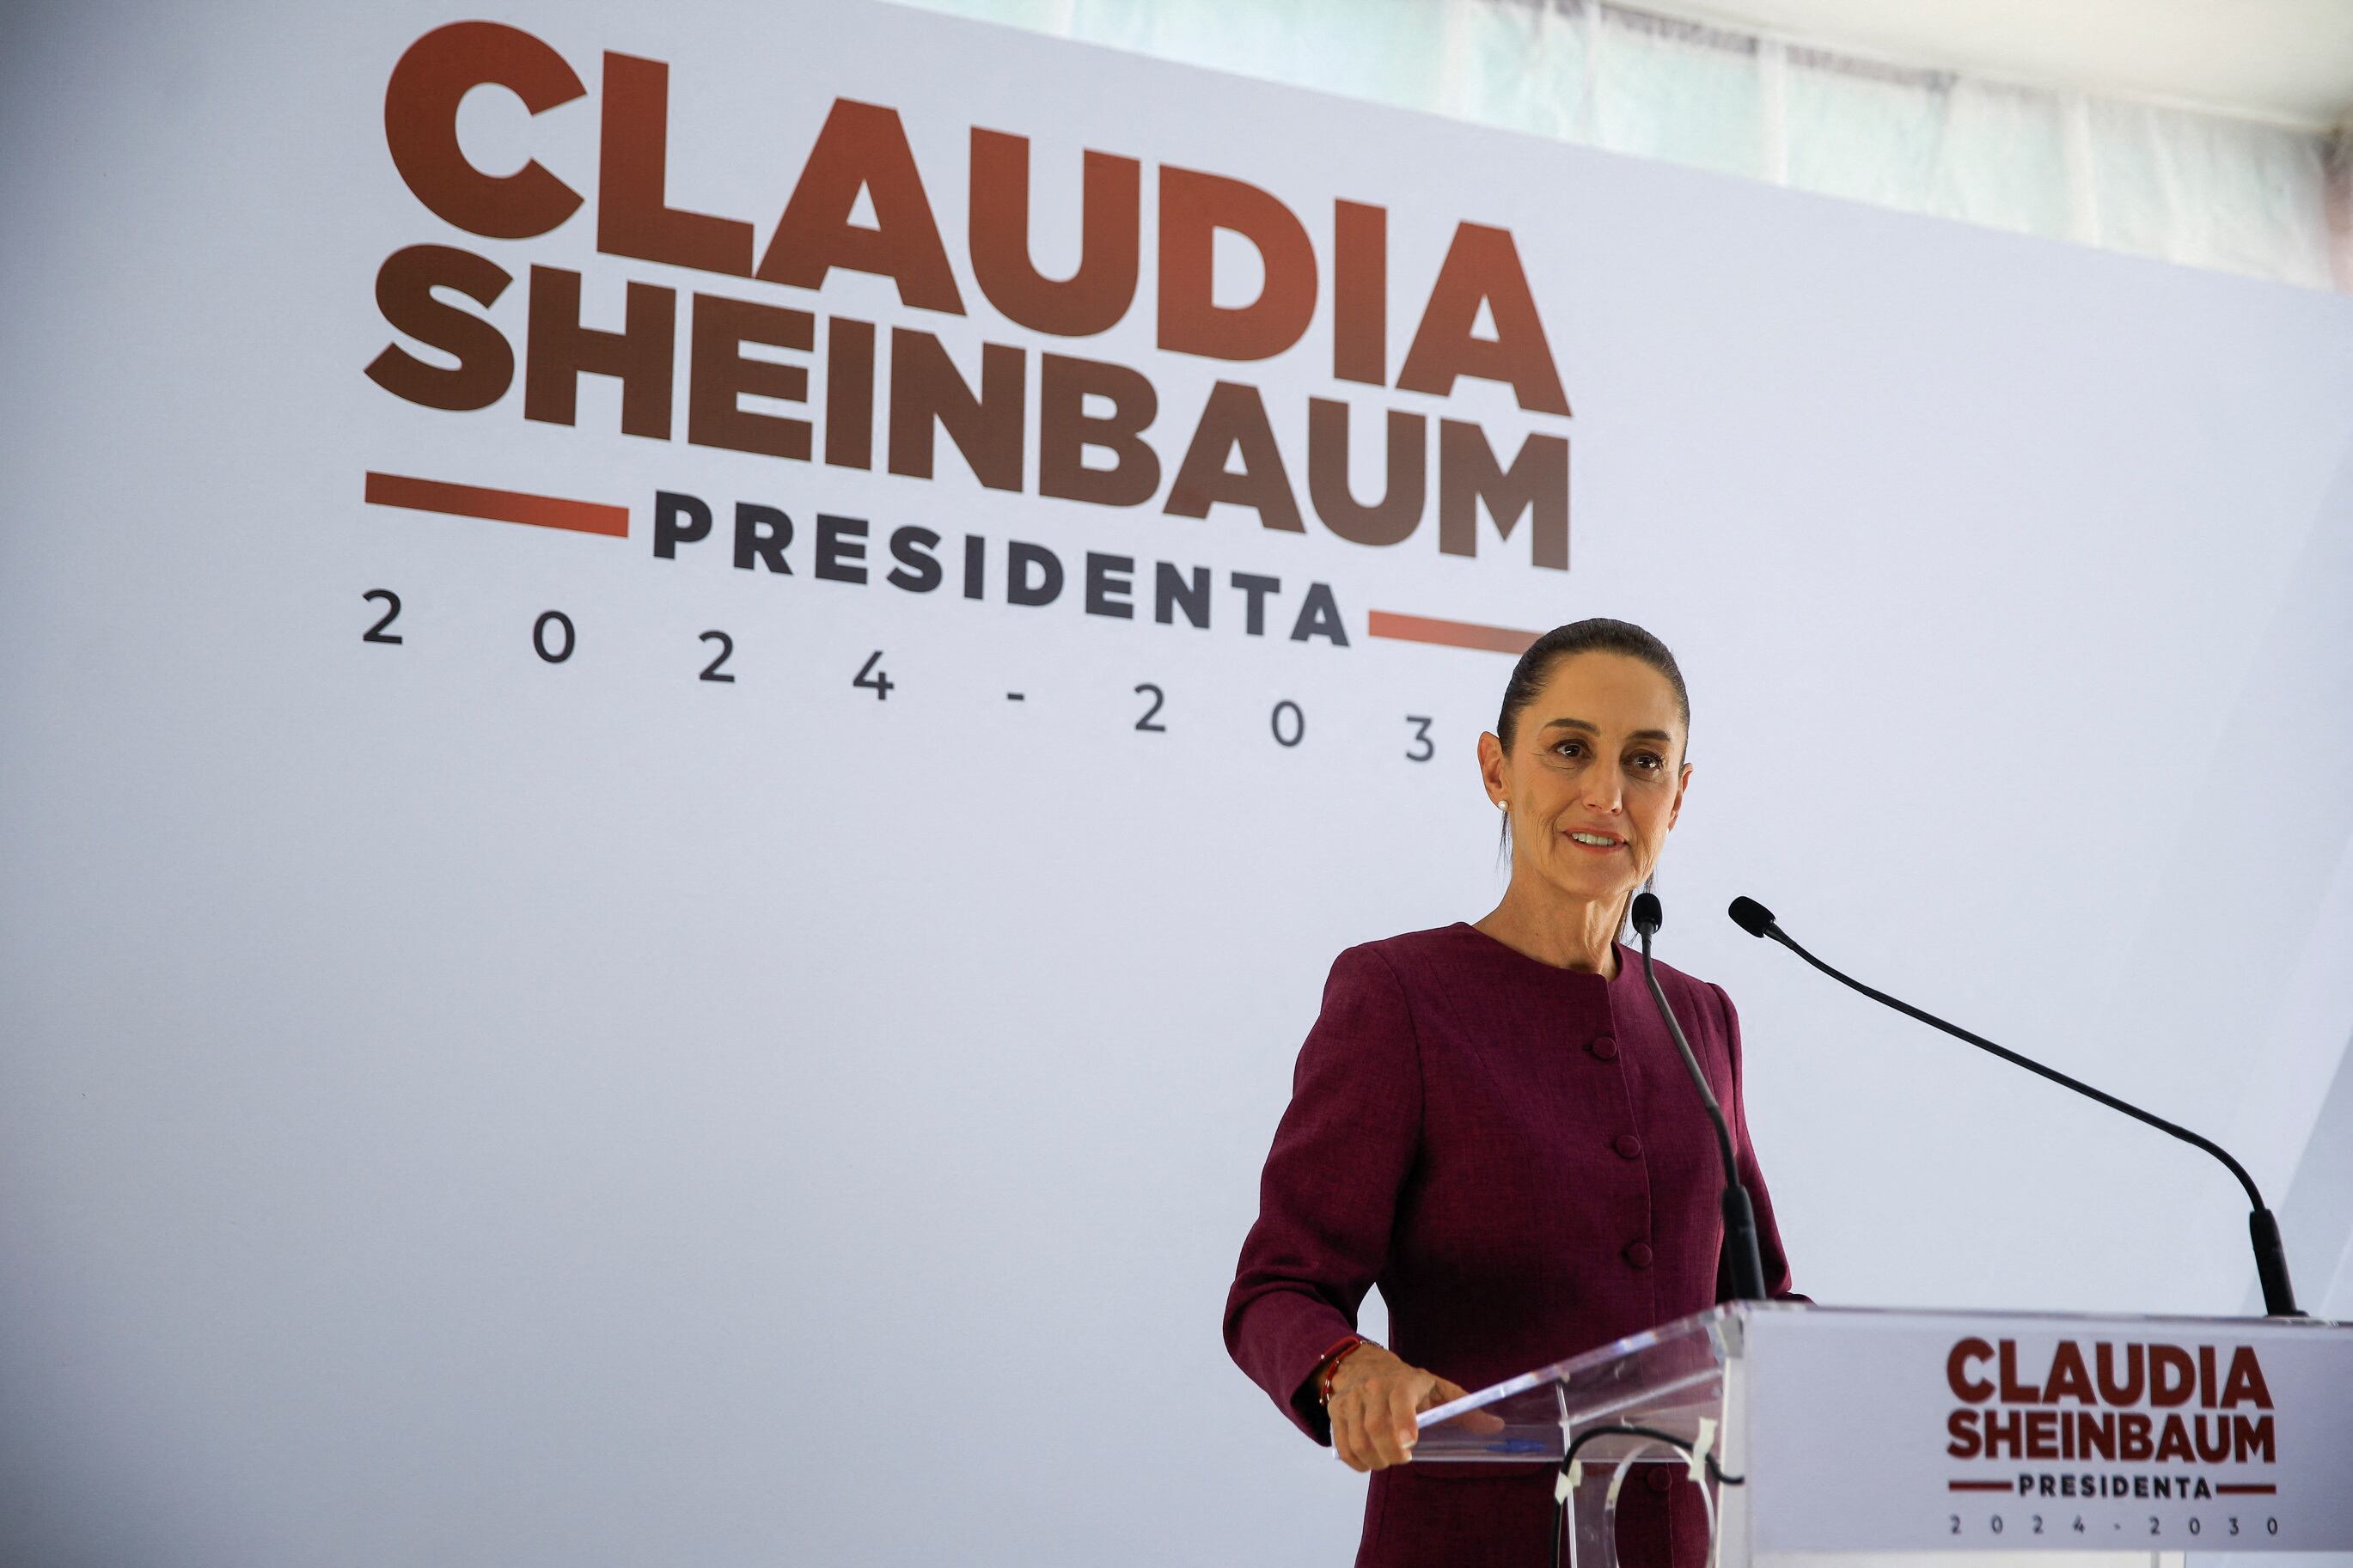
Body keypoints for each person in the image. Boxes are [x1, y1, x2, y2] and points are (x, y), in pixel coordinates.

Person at [1222, 618, 1801, 1568]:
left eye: (1644, 762)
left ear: (1679, 796)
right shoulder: (1398, 995)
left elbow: (1758, 1307)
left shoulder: (1702, 1017)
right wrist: (1347, 1369)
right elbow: (1277, 1288)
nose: (1606, 794)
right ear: (1495, 768)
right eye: (1568, 749)